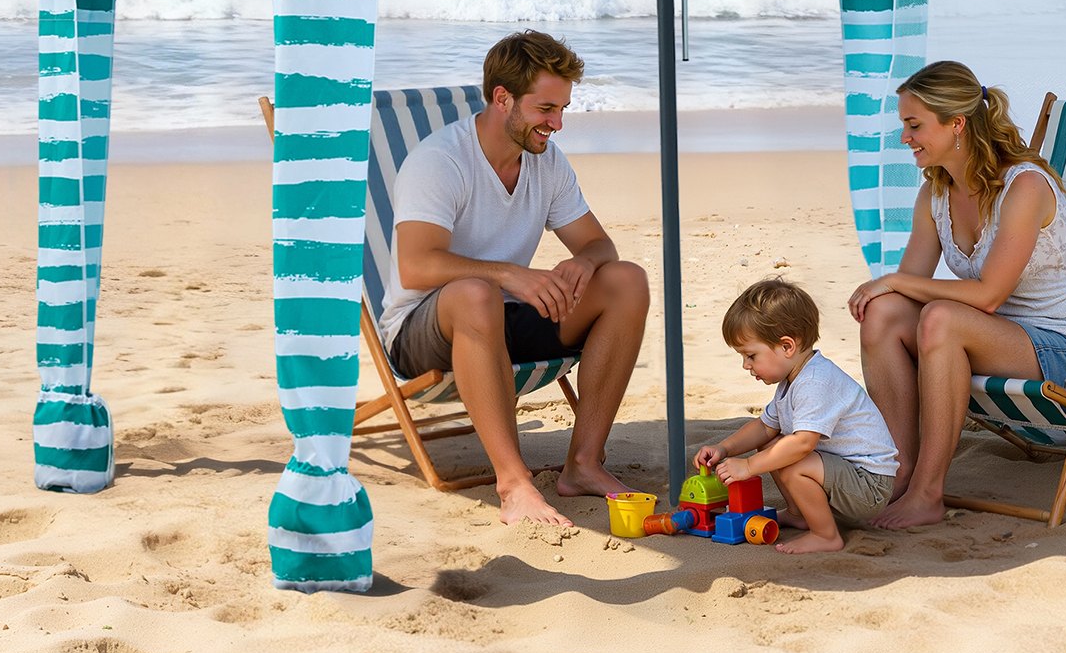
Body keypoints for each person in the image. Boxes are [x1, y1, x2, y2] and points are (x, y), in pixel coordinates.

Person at [385, 31, 650, 526]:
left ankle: (583, 465)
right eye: (546, 108)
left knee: (625, 281)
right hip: (424, 331)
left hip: (503, 320)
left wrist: (584, 262)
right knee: (476, 293)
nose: (557, 124)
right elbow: (415, 266)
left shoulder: (545, 161)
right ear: (502, 98)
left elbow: (599, 245)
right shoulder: (440, 161)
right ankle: (513, 484)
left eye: (563, 108)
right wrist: (510, 274)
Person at [849, 61, 1066, 530]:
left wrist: (896, 282)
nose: (905, 137)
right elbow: (906, 291)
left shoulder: (1024, 186)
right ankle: (898, 471)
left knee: (940, 317)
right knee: (883, 313)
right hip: (996, 337)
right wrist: (890, 289)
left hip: (1064, 349)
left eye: (914, 125)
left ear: (956, 124)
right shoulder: (936, 194)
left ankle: (927, 493)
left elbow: (987, 296)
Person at [694, 279, 898, 555]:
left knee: (793, 460)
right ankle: (800, 513)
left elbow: (803, 443)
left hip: (868, 485)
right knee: (771, 444)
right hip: (845, 474)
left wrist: (749, 466)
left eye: (751, 355)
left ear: (787, 346)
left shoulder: (815, 382)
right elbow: (764, 428)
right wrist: (724, 448)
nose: (745, 365)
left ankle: (825, 535)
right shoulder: (791, 380)